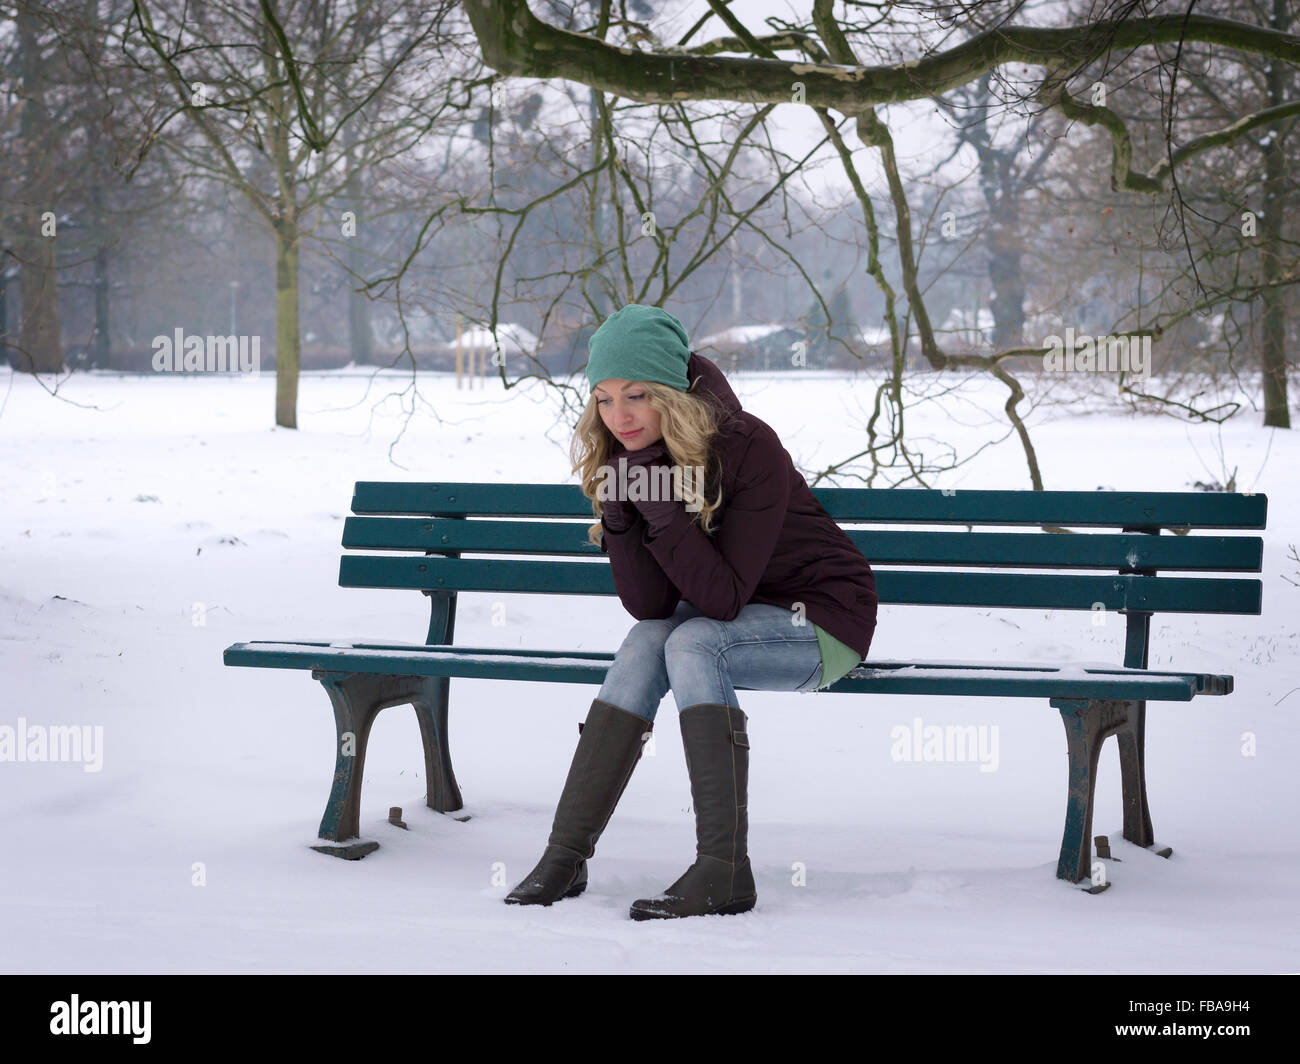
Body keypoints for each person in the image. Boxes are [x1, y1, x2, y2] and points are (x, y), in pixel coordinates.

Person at [505, 303, 878, 919]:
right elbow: (650, 605)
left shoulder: (746, 444)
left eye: (636, 396)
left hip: (820, 623)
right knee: (652, 639)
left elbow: (722, 599)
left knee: (694, 640)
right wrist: (625, 513)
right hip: (732, 623)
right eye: (602, 399)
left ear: (672, 395)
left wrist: (661, 509)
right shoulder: (629, 456)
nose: (617, 416)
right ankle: (565, 855)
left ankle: (725, 870)